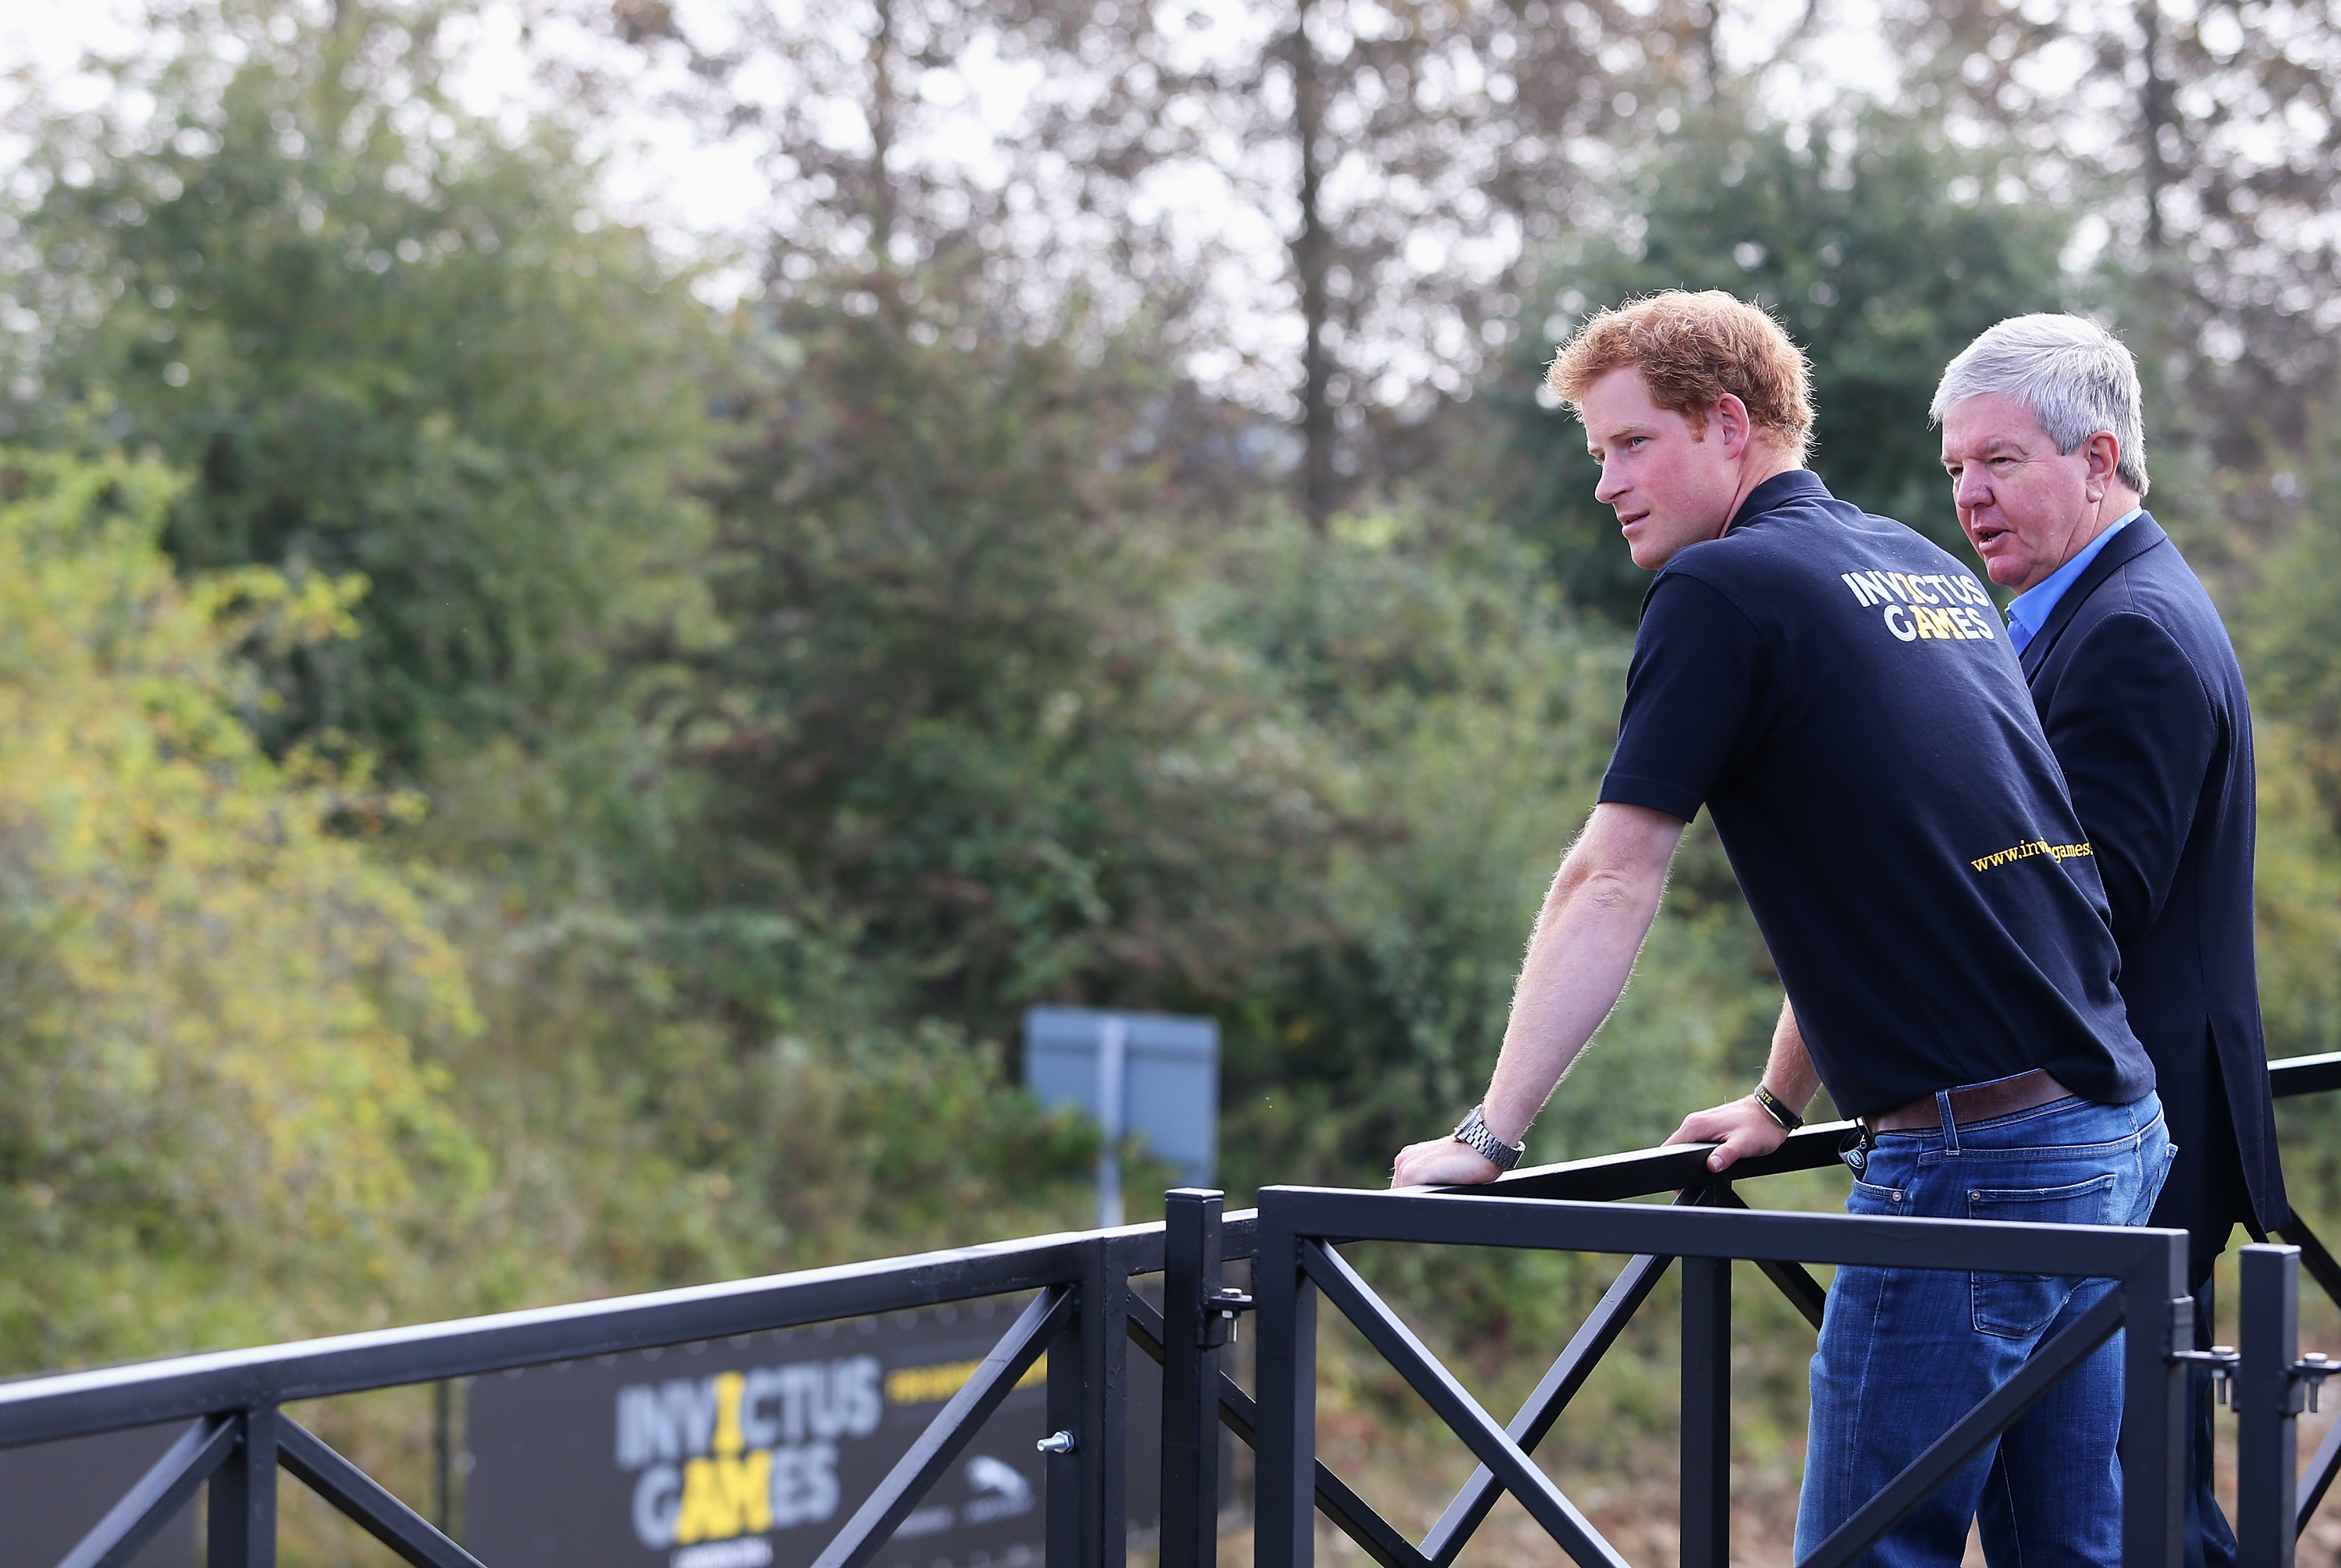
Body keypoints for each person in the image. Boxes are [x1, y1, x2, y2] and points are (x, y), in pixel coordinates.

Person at [1391, 290, 2166, 1566]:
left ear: (1729, 425)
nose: (1606, 484)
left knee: (1871, 1552)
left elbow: (1614, 875)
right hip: (2106, 1132)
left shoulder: (1722, 591)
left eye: (1630, 444)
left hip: (1974, 1163)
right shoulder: (1920, 567)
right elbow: (1907, 871)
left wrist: (1492, 1132)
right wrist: (1778, 1099)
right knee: (2068, 1556)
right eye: (1598, 454)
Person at [1931, 314, 2287, 1568]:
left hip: (2139, 1134)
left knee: (2138, 1507)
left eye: (2001, 462)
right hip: (2130, 1127)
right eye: (1956, 469)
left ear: (2099, 458)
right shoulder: (2094, 604)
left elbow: (2092, 909)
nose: (1970, 496)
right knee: (2097, 1500)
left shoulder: (2129, 628)